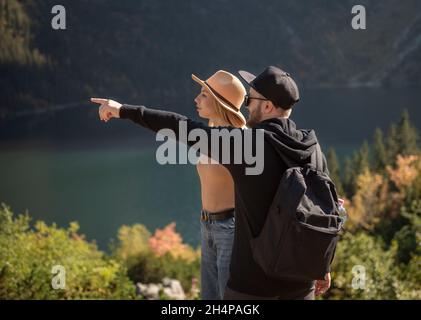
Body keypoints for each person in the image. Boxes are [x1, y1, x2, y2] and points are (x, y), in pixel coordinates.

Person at [90, 65, 331, 299]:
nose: (246, 106)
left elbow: (179, 127)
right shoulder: (311, 146)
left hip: (253, 285)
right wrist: (323, 264)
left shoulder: (247, 145)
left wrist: (122, 110)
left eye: (251, 101)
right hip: (299, 283)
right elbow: (326, 206)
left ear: (267, 106)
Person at [94, 70, 247, 300]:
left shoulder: (235, 140)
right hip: (208, 226)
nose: (196, 99)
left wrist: (121, 110)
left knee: (231, 301)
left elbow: (173, 124)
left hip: (230, 231)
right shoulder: (213, 133)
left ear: (220, 103)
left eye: (204, 95)